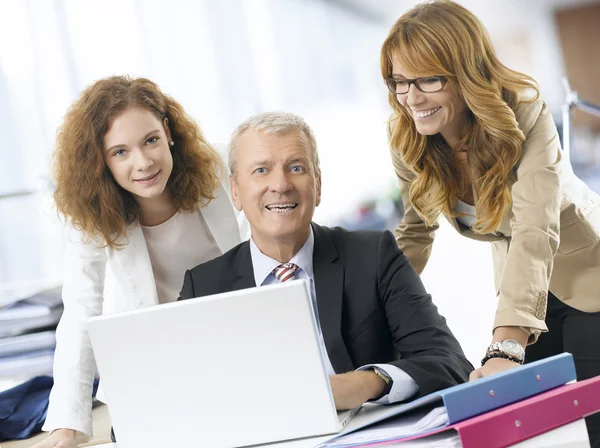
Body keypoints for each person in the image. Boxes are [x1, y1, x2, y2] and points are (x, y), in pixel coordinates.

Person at [380, 1, 600, 444]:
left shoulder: (525, 112)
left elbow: (535, 228)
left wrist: (506, 346)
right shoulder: (407, 134)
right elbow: (415, 232)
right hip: (522, 285)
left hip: (587, 271)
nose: (412, 98)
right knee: (540, 428)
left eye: (428, 79)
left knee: (589, 423)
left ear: (465, 71)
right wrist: (370, 308)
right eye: (399, 81)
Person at [178, 111, 472, 410]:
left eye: (296, 167)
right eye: (261, 171)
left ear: (317, 185)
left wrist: (367, 383)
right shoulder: (202, 288)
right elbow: (182, 398)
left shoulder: (373, 255)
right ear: (236, 192)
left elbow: (451, 363)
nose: (280, 184)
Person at [35, 76, 245, 447]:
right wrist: (68, 425)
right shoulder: (93, 213)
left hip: (235, 349)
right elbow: (81, 311)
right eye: (120, 152)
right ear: (100, 159)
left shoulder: (219, 166)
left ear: (168, 131)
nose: (143, 162)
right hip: (154, 371)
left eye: (150, 141)